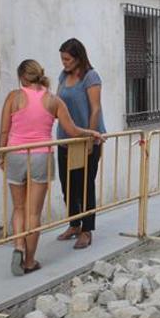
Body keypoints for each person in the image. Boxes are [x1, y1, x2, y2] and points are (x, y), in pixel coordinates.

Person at [0, 59, 103, 275]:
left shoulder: (13, 97)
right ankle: (29, 261)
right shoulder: (53, 100)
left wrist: (1, 155)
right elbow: (72, 130)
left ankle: (18, 246)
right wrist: (91, 133)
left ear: (21, 77)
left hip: (15, 155)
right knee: (33, 213)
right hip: (41, 157)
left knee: (18, 208)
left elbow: (3, 131)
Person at [55, 38, 106, 250]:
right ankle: (74, 224)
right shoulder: (63, 75)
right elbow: (58, 102)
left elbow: (95, 108)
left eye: (67, 59)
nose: (64, 63)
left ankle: (87, 230)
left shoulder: (90, 77)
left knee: (85, 185)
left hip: (87, 138)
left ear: (78, 57)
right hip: (66, 138)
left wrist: (90, 140)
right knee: (68, 186)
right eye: (62, 59)